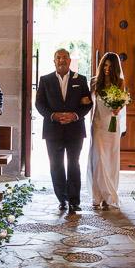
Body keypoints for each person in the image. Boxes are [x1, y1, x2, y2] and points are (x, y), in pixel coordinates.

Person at [35, 48, 92, 212]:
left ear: (69, 60)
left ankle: (75, 201)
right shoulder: (45, 80)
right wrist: (53, 115)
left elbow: (87, 103)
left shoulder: (80, 79)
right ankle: (62, 199)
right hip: (53, 130)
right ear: (54, 61)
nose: (62, 60)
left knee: (73, 164)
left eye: (65, 57)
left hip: (75, 130)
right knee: (56, 165)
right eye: (58, 58)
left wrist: (75, 115)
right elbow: (39, 104)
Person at [87, 52, 125, 210]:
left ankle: (108, 196)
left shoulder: (120, 82)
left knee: (110, 160)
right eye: (105, 65)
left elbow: (122, 102)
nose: (107, 69)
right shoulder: (94, 82)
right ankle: (97, 195)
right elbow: (88, 103)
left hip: (112, 126)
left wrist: (118, 108)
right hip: (97, 125)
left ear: (115, 67)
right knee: (98, 160)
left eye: (110, 66)